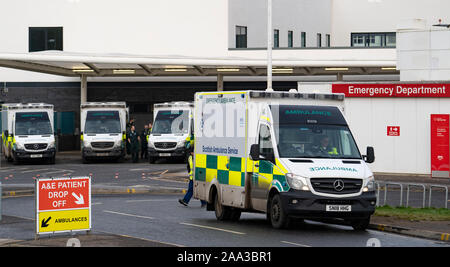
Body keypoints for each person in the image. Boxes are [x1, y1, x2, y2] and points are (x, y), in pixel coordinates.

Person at [178, 142, 207, 208]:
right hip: (193, 176)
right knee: (194, 189)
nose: (192, 153)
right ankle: (203, 202)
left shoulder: (198, 157)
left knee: (193, 189)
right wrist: (190, 173)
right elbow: (189, 166)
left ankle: (186, 201)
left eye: (193, 152)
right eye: (192, 152)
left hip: (198, 176)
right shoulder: (190, 158)